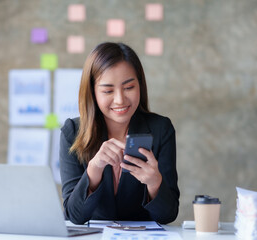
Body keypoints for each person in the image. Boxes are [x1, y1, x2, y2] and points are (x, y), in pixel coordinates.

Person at [59, 42, 179, 225]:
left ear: (140, 84)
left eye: (129, 87)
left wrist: (155, 183)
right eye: (108, 90)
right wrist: (94, 170)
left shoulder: (161, 129)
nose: (120, 99)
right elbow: (74, 216)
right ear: (92, 92)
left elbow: (168, 215)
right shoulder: (72, 132)